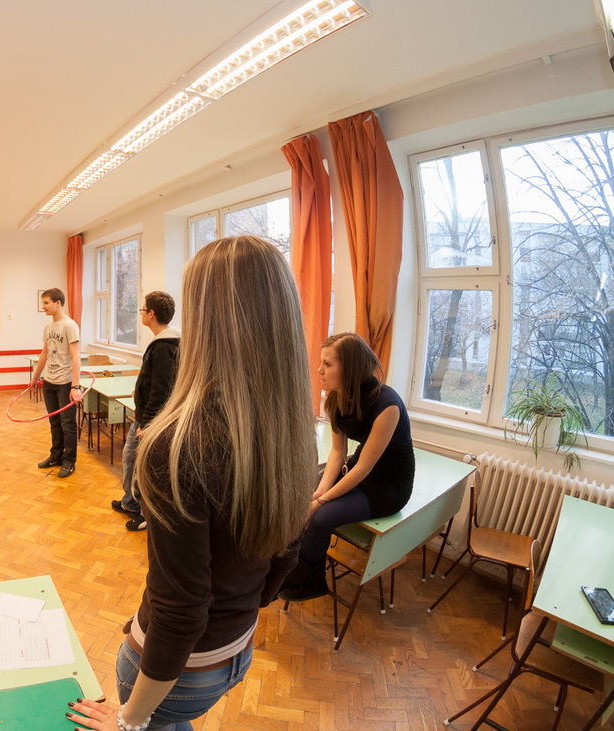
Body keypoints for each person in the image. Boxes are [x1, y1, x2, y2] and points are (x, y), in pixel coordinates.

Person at [66, 236, 317, 731]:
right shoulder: (293, 429)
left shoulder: (179, 445)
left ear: (206, 320)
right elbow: (289, 546)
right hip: (235, 650)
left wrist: (129, 719)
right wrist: (244, 606)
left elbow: (181, 608)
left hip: (177, 673)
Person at [278, 331, 415, 602]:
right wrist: (319, 492)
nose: (319, 370)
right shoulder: (336, 398)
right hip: (359, 470)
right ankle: (288, 563)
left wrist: (321, 502)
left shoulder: (387, 405)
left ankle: (307, 581)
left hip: (388, 485)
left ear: (349, 368)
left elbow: (364, 467)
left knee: (320, 517)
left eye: (327, 364)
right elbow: (338, 453)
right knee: (303, 494)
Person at [111, 291, 180, 531]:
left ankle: (144, 515)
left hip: (150, 422)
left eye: (142, 309)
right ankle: (129, 502)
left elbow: (161, 390)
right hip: (143, 417)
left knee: (141, 466)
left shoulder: (164, 347)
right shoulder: (160, 343)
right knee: (130, 460)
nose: (140, 313)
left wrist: (147, 424)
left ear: (151, 314)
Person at [30, 288, 82, 478]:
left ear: (58, 303)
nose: (43, 306)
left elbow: (76, 357)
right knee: (54, 422)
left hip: (65, 383)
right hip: (49, 381)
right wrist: (35, 378)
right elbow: (44, 354)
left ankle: (69, 461)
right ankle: (56, 456)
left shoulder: (69, 325)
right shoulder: (48, 326)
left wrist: (75, 386)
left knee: (67, 425)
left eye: (46, 303)